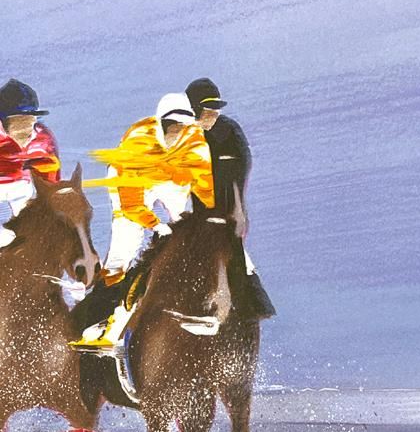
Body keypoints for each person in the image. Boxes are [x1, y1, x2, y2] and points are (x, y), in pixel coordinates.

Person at [71, 92, 214, 350]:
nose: (177, 132)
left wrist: (204, 221)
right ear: (161, 123)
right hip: (130, 180)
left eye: (183, 126)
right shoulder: (137, 142)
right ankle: (96, 319)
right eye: (172, 126)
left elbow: (206, 190)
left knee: (187, 235)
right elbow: (131, 203)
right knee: (124, 251)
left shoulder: (195, 141)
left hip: (169, 178)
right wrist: (156, 225)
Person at [185, 77, 275, 319]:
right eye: (208, 109)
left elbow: (240, 169)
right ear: (194, 109)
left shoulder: (228, 132)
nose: (213, 114)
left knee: (234, 254)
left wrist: (237, 209)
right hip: (199, 208)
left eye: (216, 109)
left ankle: (253, 306)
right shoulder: (185, 134)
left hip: (227, 206)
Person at [0, 79, 60, 247]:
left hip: (20, 187)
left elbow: (50, 177)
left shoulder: (42, 139)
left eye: (29, 120)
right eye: (17, 121)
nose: (24, 128)